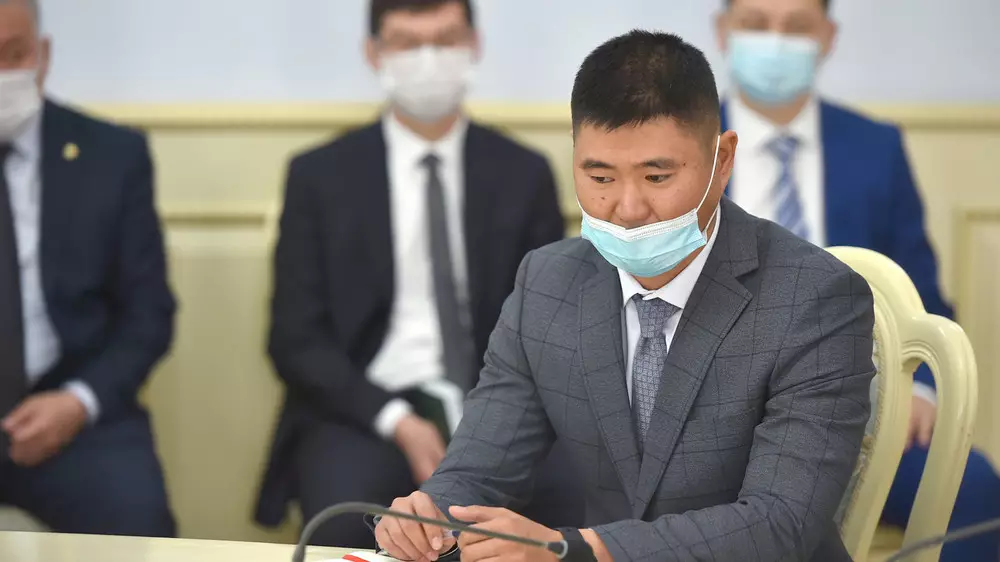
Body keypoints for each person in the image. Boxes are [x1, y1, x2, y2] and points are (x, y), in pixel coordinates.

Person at [375, 29, 875, 562]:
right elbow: (479, 469)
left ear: (722, 159)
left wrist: (581, 549)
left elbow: (779, 523)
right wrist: (429, 518)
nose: (628, 208)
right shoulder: (548, 283)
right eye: (600, 177)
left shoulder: (813, 298)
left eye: (657, 176)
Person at [255, 0, 572, 548]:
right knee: (341, 516)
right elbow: (295, 339)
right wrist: (395, 418)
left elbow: (548, 326)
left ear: (474, 45)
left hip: (502, 404)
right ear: (373, 53)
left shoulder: (523, 173)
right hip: (366, 410)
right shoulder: (319, 176)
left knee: (573, 501)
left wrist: (492, 418)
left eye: (445, 39)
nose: (428, 58)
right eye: (407, 42)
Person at [715, 1, 1000, 559]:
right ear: (723, 32)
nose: (776, 41)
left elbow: (924, 292)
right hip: (719, 419)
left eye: (797, 26)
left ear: (828, 36)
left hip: (866, 411)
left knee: (976, 489)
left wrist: (921, 388)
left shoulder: (875, 148)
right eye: (756, 24)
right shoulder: (680, 148)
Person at [0, 0, 176, 537]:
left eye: (13, 54)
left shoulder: (113, 155)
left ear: (43, 54)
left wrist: (78, 402)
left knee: (140, 522)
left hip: (77, 414)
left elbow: (149, 315)